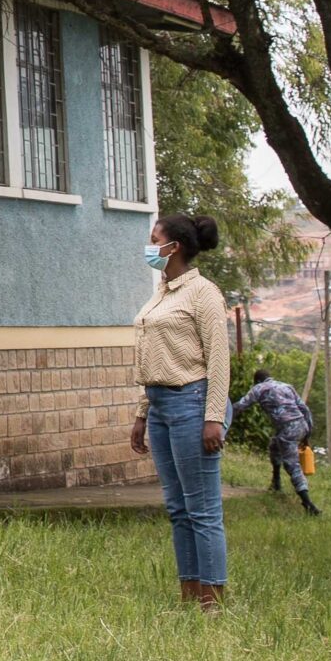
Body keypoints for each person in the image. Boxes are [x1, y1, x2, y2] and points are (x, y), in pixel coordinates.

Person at [130, 214, 231, 612]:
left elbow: (218, 360)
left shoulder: (203, 293)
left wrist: (213, 417)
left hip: (193, 403)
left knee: (203, 509)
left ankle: (214, 599)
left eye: (154, 239)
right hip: (160, 406)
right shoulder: (162, 292)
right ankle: (190, 594)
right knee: (178, 509)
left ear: (173, 248)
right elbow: (149, 356)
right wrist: (142, 413)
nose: (149, 245)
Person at [231, 367, 321, 515]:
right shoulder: (286, 386)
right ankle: (276, 482)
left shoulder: (258, 389)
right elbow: (304, 409)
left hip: (287, 430)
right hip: (301, 425)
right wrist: (307, 434)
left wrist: (223, 418)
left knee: (292, 465)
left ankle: (308, 504)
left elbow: (240, 405)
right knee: (274, 446)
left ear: (257, 381)